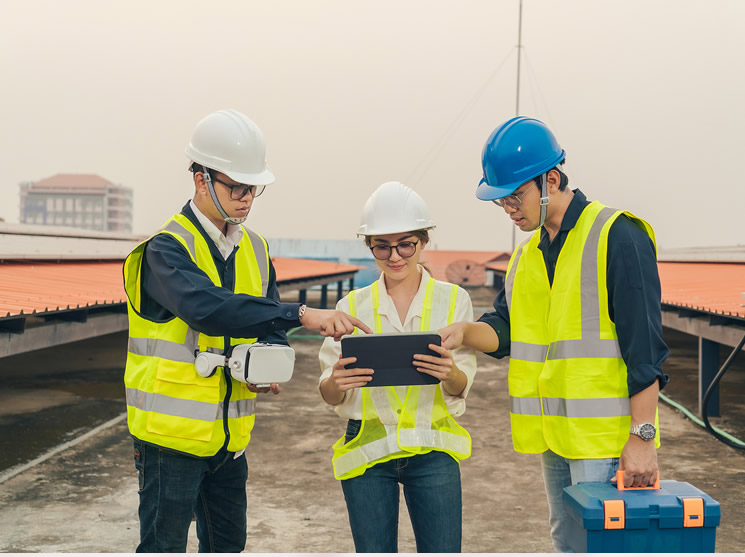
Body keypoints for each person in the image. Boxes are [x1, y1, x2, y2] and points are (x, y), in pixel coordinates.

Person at [122, 109, 371, 553]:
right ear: (201, 179)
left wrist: (267, 359)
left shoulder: (255, 248)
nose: (247, 198)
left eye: (253, 188)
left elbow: (265, 320)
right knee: (162, 547)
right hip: (169, 442)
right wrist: (302, 315)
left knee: (228, 545)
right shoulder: (165, 249)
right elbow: (206, 309)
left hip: (230, 440)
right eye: (236, 186)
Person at [440, 116, 669, 552]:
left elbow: (646, 349)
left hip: (607, 441)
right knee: (568, 541)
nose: (509, 208)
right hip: (556, 437)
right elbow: (506, 330)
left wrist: (642, 439)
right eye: (500, 201)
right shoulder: (527, 255)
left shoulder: (616, 235)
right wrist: (465, 332)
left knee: (607, 547)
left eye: (515, 196)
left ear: (551, 178)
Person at [318, 181, 478, 553]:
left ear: (423, 242)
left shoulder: (455, 300)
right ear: (369, 246)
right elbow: (327, 390)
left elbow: (461, 382)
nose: (395, 256)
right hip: (368, 450)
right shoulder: (351, 305)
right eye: (382, 246)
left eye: (406, 243)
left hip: (432, 450)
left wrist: (449, 373)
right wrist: (337, 382)